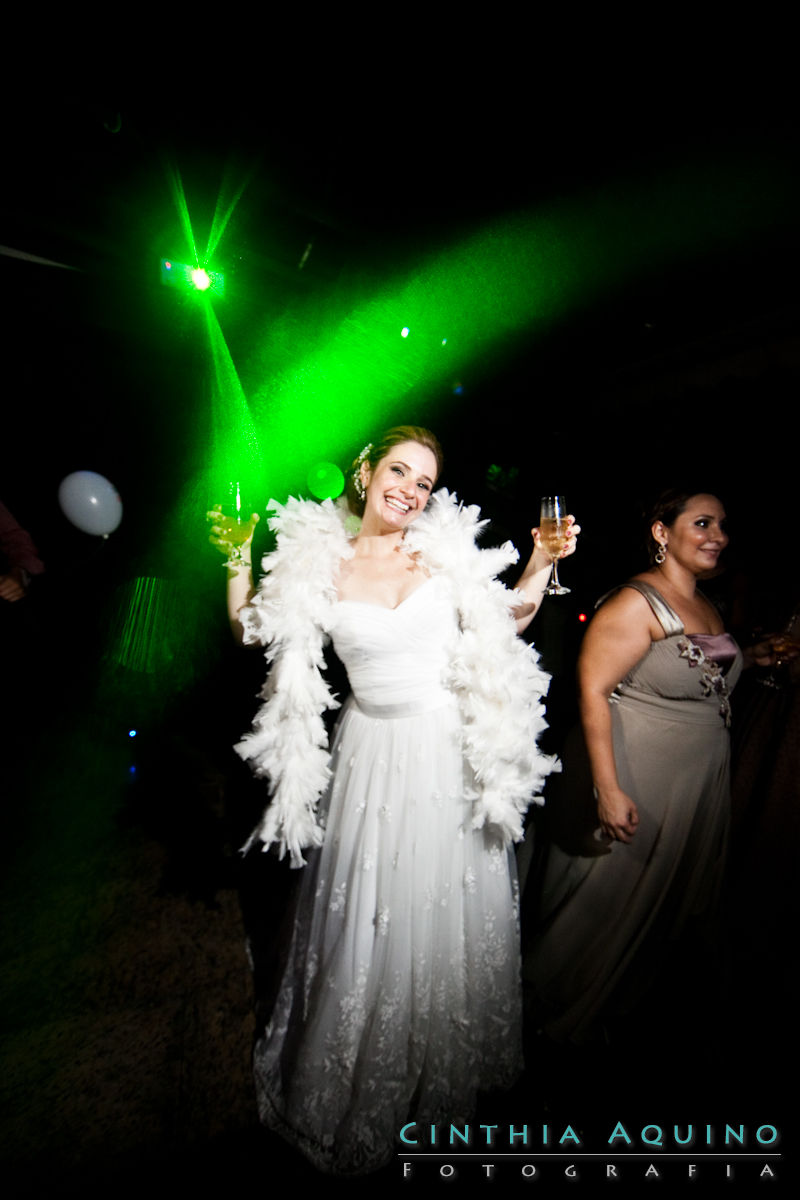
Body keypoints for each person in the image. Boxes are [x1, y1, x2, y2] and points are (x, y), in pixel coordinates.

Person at [209, 426, 578, 1174]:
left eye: (425, 482)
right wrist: (238, 559)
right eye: (399, 472)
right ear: (365, 471)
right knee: (373, 911)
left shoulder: (442, 551)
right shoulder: (321, 561)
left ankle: (434, 1073)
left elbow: (503, 621)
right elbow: (254, 630)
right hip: (373, 756)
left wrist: (541, 560)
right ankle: (351, 1075)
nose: (410, 491)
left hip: (449, 755)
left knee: (443, 907)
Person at [524, 488, 776, 1051]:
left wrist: (754, 659)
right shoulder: (636, 602)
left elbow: (703, 669)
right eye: (703, 523)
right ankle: (545, 1026)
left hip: (691, 782)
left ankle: (610, 1011)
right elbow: (591, 690)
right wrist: (607, 790)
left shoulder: (707, 605)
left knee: (658, 907)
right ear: (663, 533)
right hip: (634, 774)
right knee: (598, 908)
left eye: (723, 525)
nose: (718, 536)